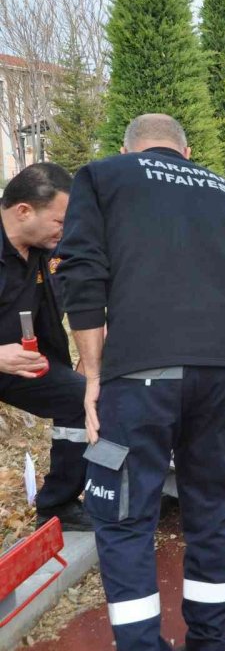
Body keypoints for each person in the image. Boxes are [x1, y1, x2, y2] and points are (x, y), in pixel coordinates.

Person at [57, 114, 225, 651]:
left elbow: (82, 275)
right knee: (216, 515)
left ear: (130, 149)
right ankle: (213, 641)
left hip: (141, 375)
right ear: (186, 152)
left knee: (123, 515)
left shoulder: (104, 177)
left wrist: (93, 374)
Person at [0, 162, 90, 532]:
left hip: (24, 365)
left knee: (83, 398)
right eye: (59, 221)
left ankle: (59, 505)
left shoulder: (44, 248)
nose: (64, 230)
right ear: (24, 211)